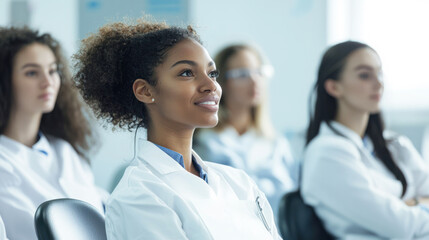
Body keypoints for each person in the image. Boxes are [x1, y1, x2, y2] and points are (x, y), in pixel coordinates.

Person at [73, 20, 282, 239]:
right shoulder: (139, 195)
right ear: (145, 91)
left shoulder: (239, 182)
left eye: (212, 73)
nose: (210, 85)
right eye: (186, 73)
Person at [301, 40, 429, 239]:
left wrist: (411, 206)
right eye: (364, 75)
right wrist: (416, 203)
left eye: (379, 74)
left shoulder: (395, 143)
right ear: (334, 87)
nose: (378, 84)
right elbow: (401, 226)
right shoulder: (326, 153)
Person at [0, 27, 105, 239]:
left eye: (52, 70)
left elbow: (104, 213)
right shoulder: (4, 162)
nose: (48, 82)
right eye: (32, 72)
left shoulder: (65, 151)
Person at [194, 44, 298, 218]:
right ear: (221, 83)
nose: (254, 80)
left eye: (259, 72)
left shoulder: (276, 143)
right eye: (242, 74)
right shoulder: (204, 142)